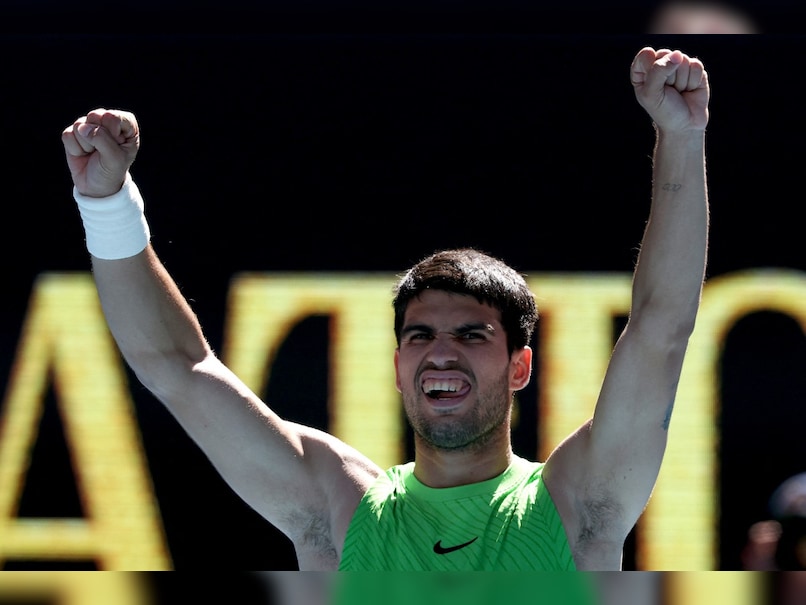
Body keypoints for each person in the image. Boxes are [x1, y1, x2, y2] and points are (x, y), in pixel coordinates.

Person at [60, 46, 710, 571]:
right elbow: (176, 364)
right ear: (399, 366)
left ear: (520, 366)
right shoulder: (337, 508)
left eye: (472, 333)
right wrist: (108, 204)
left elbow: (661, 328)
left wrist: (680, 136)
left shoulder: (579, 503)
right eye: (421, 334)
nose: (441, 350)